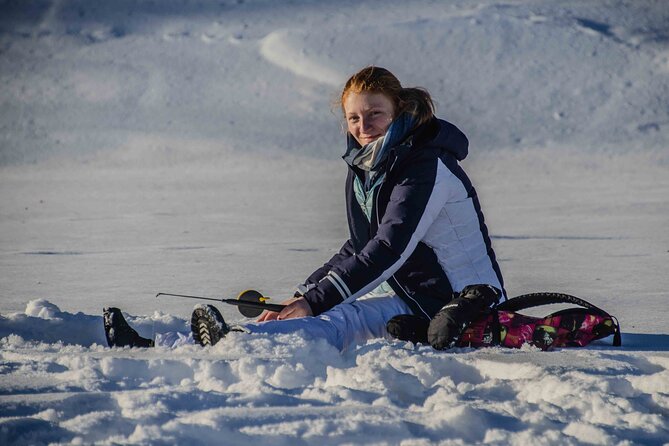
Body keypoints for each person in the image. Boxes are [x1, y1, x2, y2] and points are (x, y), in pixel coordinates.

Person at [104, 66, 505, 352]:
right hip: (406, 286)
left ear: (398, 111)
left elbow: (389, 247)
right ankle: (162, 344)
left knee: (337, 319)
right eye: (353, 117)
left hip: (454, 301)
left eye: (375, 114)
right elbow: (358, 245)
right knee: (302, 312)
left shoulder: (426, 165)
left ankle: (231, 345)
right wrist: (307, 292)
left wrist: (318, 301)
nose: (363, 126)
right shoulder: (369, 165)